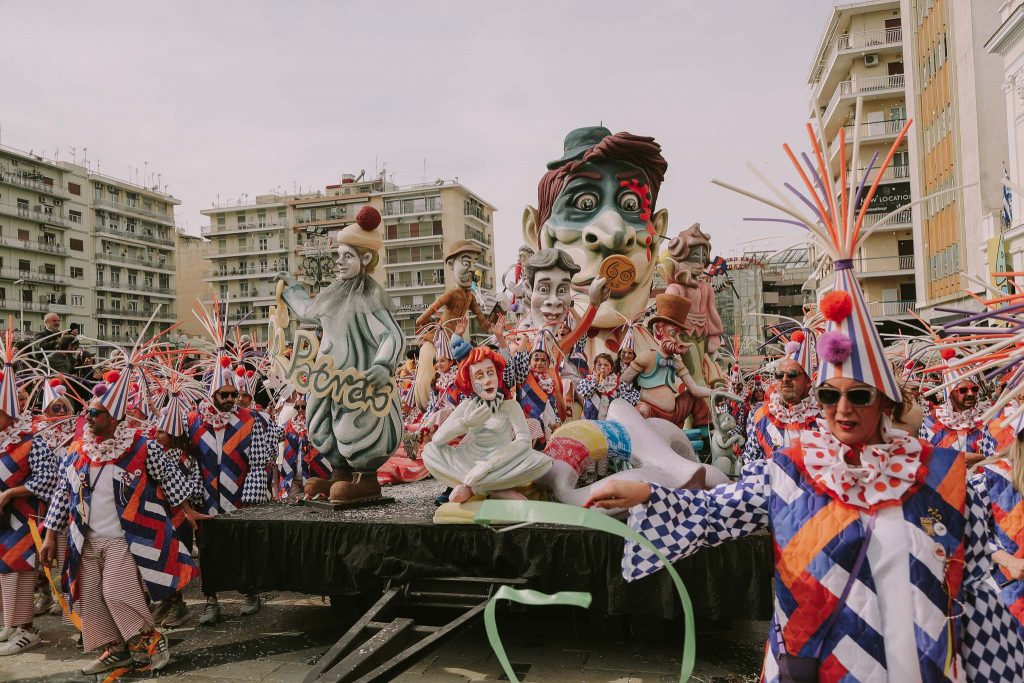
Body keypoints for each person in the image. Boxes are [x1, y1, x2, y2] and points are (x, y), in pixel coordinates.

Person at [41, 385, 206, 675]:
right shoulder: (78, 449)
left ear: (115, 417)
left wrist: (185, 509)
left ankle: (151, 643)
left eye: (95, 412)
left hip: (124, 537)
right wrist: (49, 534)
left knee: (118, 592)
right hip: (85, 540)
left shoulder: (142, 445)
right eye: (87, 411)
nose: (88, 417)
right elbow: (62, 494)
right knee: (90, 596)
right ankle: (116, 650)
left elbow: (169, 477)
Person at [277, 206, 404, 504]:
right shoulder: (336, 291)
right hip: (329, 374)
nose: (339, 262)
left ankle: (365, 478)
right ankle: (340, 474)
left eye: (347, 256)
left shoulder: (371, 295)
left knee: (355, 425)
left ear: (366, 258)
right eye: (339, 255)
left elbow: (392, 334)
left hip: (358, 376)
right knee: (320, 422)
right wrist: (291, 289)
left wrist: (383, 366)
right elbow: (310, 313)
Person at [421, 346, 551, 505]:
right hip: (469, 459)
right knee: (429, 452)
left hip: (501, 461)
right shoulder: (467, 405)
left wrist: (488, 466)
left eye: (490, 373)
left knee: (543, 463)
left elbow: (523, 441)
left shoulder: (509, 406)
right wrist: (465, 423)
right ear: (470, 382)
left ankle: (472, 488)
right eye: (479, 376)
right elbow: (437, 440)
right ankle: (495, 489)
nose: (488, 380)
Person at [0, 351, 59, 656]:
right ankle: (13, 623)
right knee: (3, 570)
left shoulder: (32, 441)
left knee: (18, 570)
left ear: (10, 414)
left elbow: (50, 479)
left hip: (24, 520)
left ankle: (26, 629)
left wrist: (11, 493)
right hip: (2, 520)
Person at [741, 330, 820, 465]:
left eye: (792, 374)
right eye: (779, 375)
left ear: (808, 380)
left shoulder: (825, 414)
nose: (785, 379)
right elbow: (752, 463)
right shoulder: (759, 415)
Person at [920, 368, 990, 466]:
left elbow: (1002, 452)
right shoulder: (930, 422)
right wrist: (955, 459)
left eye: (974, 389)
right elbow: (922, 457)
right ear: (950, 393)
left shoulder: (989, 416)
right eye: (963, 390)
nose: (970, 394)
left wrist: (982, 458)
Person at [576, 353, 640, 420]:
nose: (603, 367)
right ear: (594, 368)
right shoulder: (587, 381)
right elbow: (584, 393)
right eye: (599, 365)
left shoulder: (617, 383)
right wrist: (595, 382)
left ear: (611, 369)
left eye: (606, 365)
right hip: (589, 423)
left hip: (609, 423)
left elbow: (630, 397)